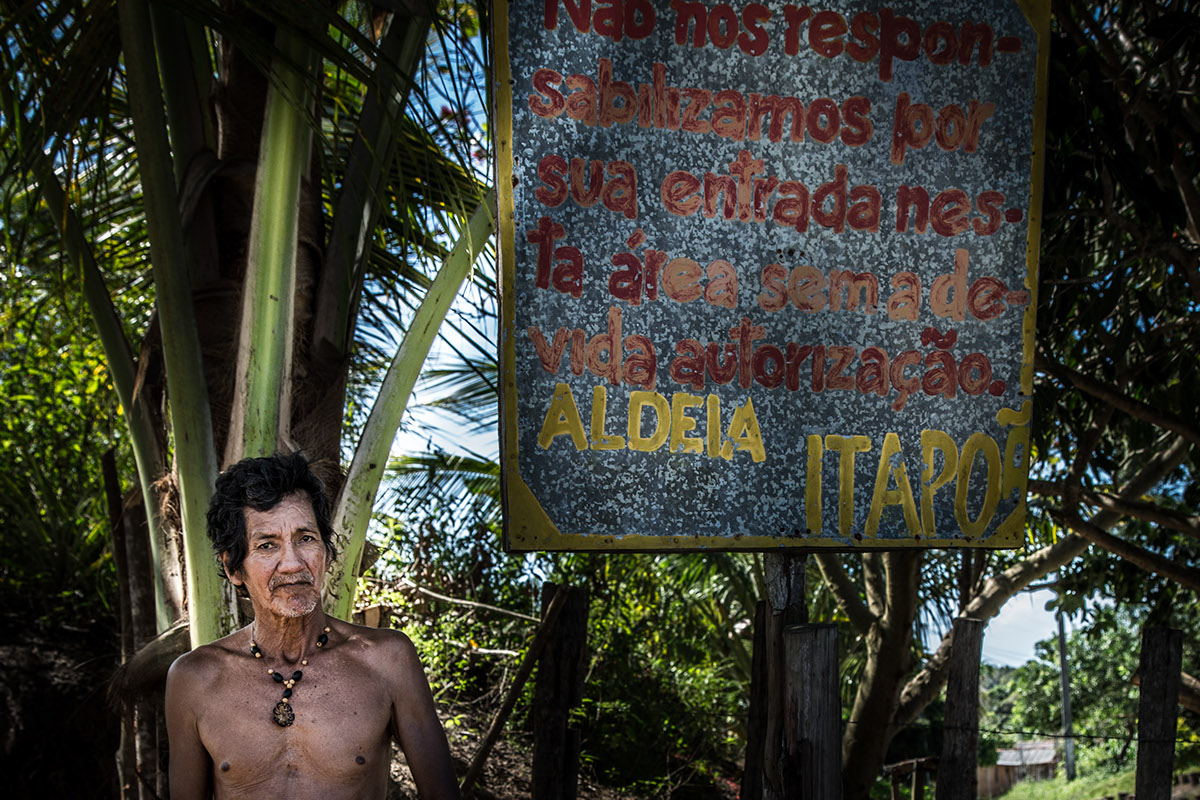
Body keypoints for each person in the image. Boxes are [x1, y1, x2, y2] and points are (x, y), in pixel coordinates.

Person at [165, 453, 459, 800]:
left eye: (306, 538)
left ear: (326, 552)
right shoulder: (195, 679)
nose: (292, 564)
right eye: (267, 545)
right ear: (233, 568)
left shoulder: (387, 661)